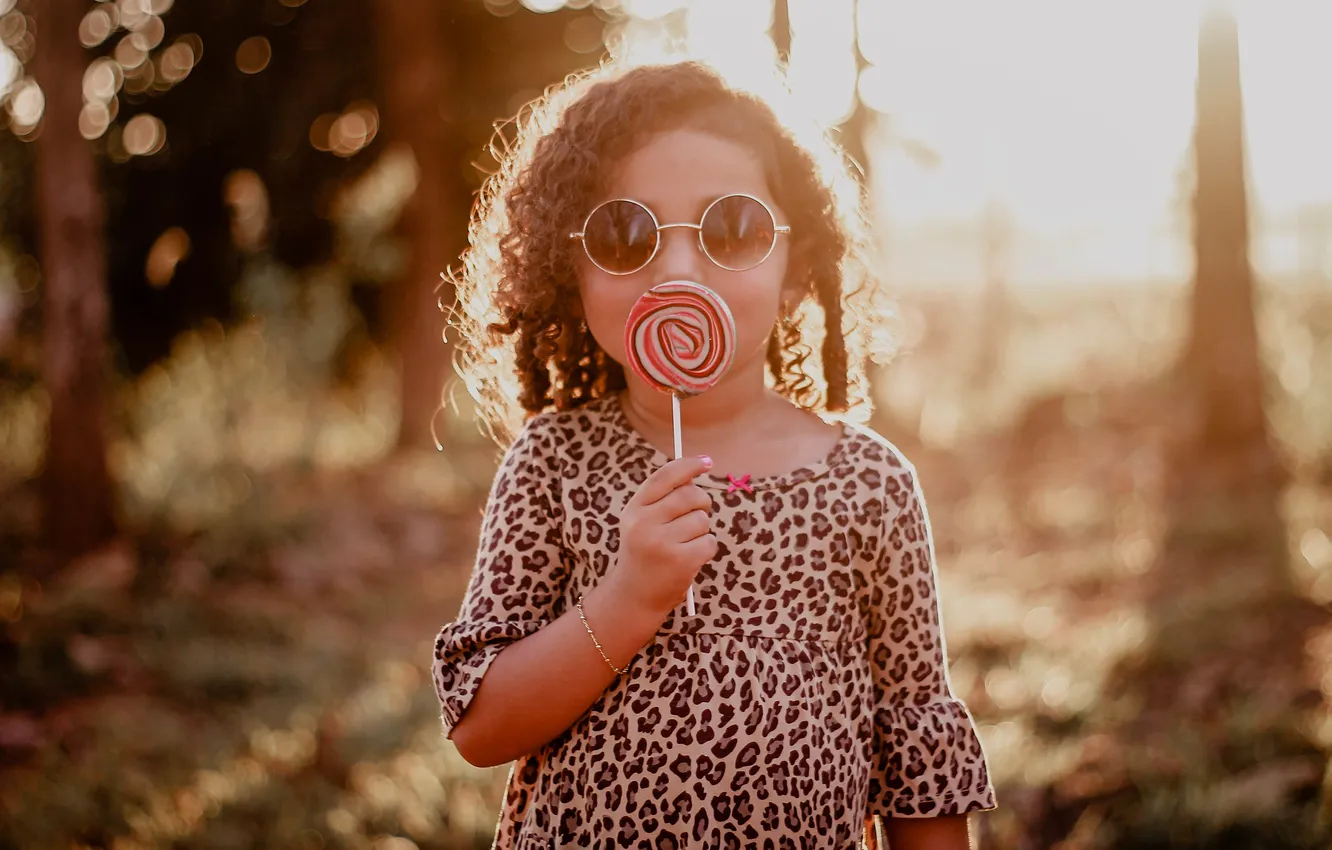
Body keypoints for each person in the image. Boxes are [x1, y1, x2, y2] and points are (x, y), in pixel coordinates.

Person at [434, 57, 996, 849]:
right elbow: (481, 728)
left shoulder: (869, 485)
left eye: (731, 228)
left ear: (797, 267)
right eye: (626, 233)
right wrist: (629, 599)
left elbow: (920, 765)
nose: (678, 268)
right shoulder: (553, 463)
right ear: (571, 271)